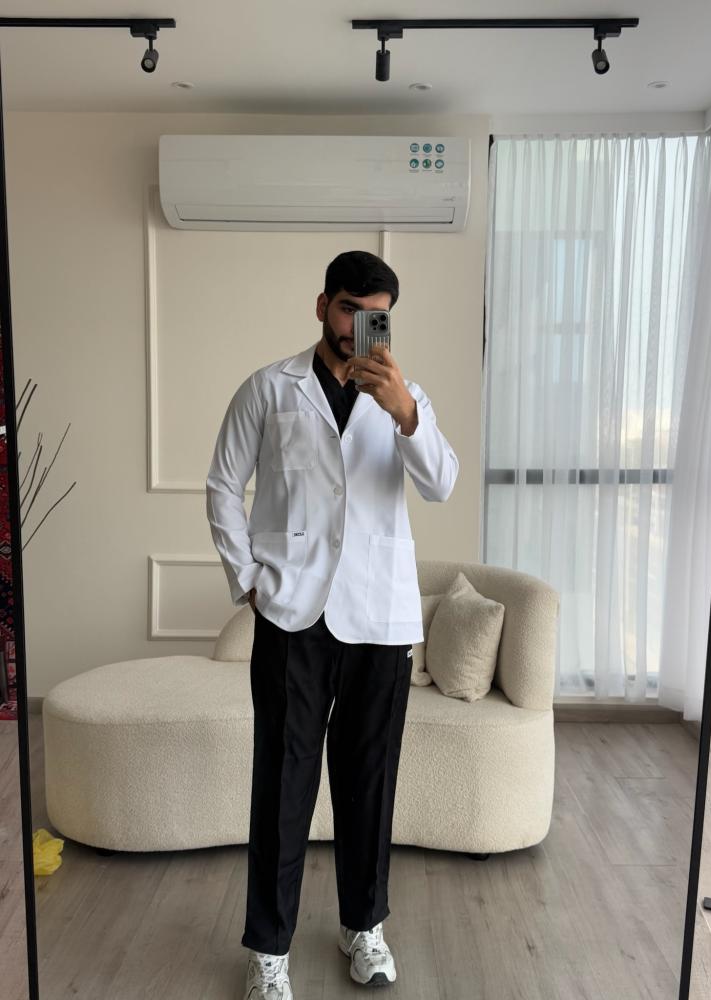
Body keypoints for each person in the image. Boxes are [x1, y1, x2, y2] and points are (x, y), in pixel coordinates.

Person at [206, 250, 459, 1000]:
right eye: (349, 309)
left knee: (369, 781)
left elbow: (441, 482)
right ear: (323, 305)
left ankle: (363, 926)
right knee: (282, 783)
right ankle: (269, 950)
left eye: (377, 316)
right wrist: (249, 579)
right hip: (292, 614)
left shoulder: (405, 398)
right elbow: (222, 485)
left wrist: (405, 412)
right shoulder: (268, 388)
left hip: (380, 615)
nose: (359, 328)